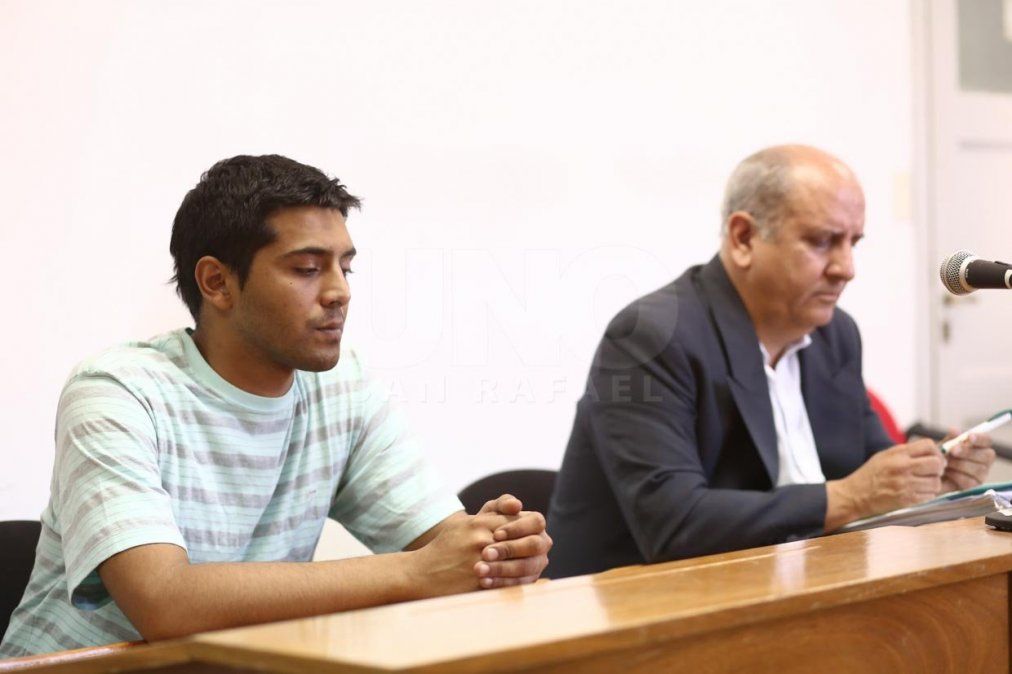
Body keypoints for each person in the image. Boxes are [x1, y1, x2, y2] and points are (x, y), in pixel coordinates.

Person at [0, 155, 551, 657]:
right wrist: (417, 572)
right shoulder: (116, 391)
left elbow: (449, 551)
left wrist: (500, 551)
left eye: (345, 268)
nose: (339, 292)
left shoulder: (343, 387)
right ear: (217, 282)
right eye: (307, 269)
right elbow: (165, 602)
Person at [546, 145, 995, 578]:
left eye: (852, 243)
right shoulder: (652, 336)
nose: (846, 268)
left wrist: (930, 479)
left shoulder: (835, 335)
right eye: (822, 242)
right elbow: (673, 523)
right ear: (744, 238)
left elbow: (872, 469)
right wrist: (852, 497)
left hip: (793, 583)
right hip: (638, 604)